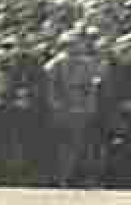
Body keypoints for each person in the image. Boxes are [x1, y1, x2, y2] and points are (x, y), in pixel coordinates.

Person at [44, 29, 104, 186]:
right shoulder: (56, 64)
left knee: (82, 145)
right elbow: (51, 88)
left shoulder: (86, 64)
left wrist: (89, 107)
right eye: (72, 45)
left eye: (77, 44)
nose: (76, 48)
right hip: (63, 110)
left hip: (81, 110)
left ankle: (79, 178)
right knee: (63, 146)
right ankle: (61, 177)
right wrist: (57, 105)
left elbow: (92, 87)